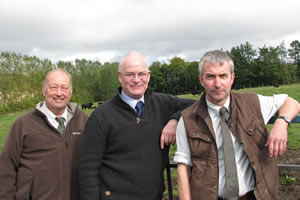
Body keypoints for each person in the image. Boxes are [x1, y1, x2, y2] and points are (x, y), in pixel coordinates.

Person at [174, 50, 300, 200]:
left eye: (223, 76)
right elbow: (183, 167)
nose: (217, 83)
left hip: (252, 196)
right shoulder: (188, 119)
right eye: (210, 77)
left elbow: (291, 102)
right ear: (201, 80)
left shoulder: (253, 103)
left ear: (232, 78)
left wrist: (281, 123)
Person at [79, 51, 195, 200]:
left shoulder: (163, 103)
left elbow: (198, 104)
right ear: (120, 76)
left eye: (141, 74)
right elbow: (88, 169)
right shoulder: (101, 115)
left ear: (148, 76)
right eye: (130, 74)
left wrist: (175, 120)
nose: (136, 80)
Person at [0, 69, 88, 200]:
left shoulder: (83, 120)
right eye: (53, 87)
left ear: (70, 91)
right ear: (44, 90)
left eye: (64, 88)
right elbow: (7, 168)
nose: (59, 93)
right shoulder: (23, 124)